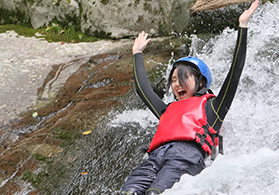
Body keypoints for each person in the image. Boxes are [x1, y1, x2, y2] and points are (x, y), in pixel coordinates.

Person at [120, 1, 259, 194]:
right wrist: (137, 53)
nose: (177, 84)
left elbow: (235, 73)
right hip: (155, 158)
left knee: (155, 193)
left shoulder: (213, 108)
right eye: (174, 80)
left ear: (201, 82)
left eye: (184, 77)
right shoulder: (166, 111)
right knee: (128, 192)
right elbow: (143, 90)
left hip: (187, 156)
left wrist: (242, 26)